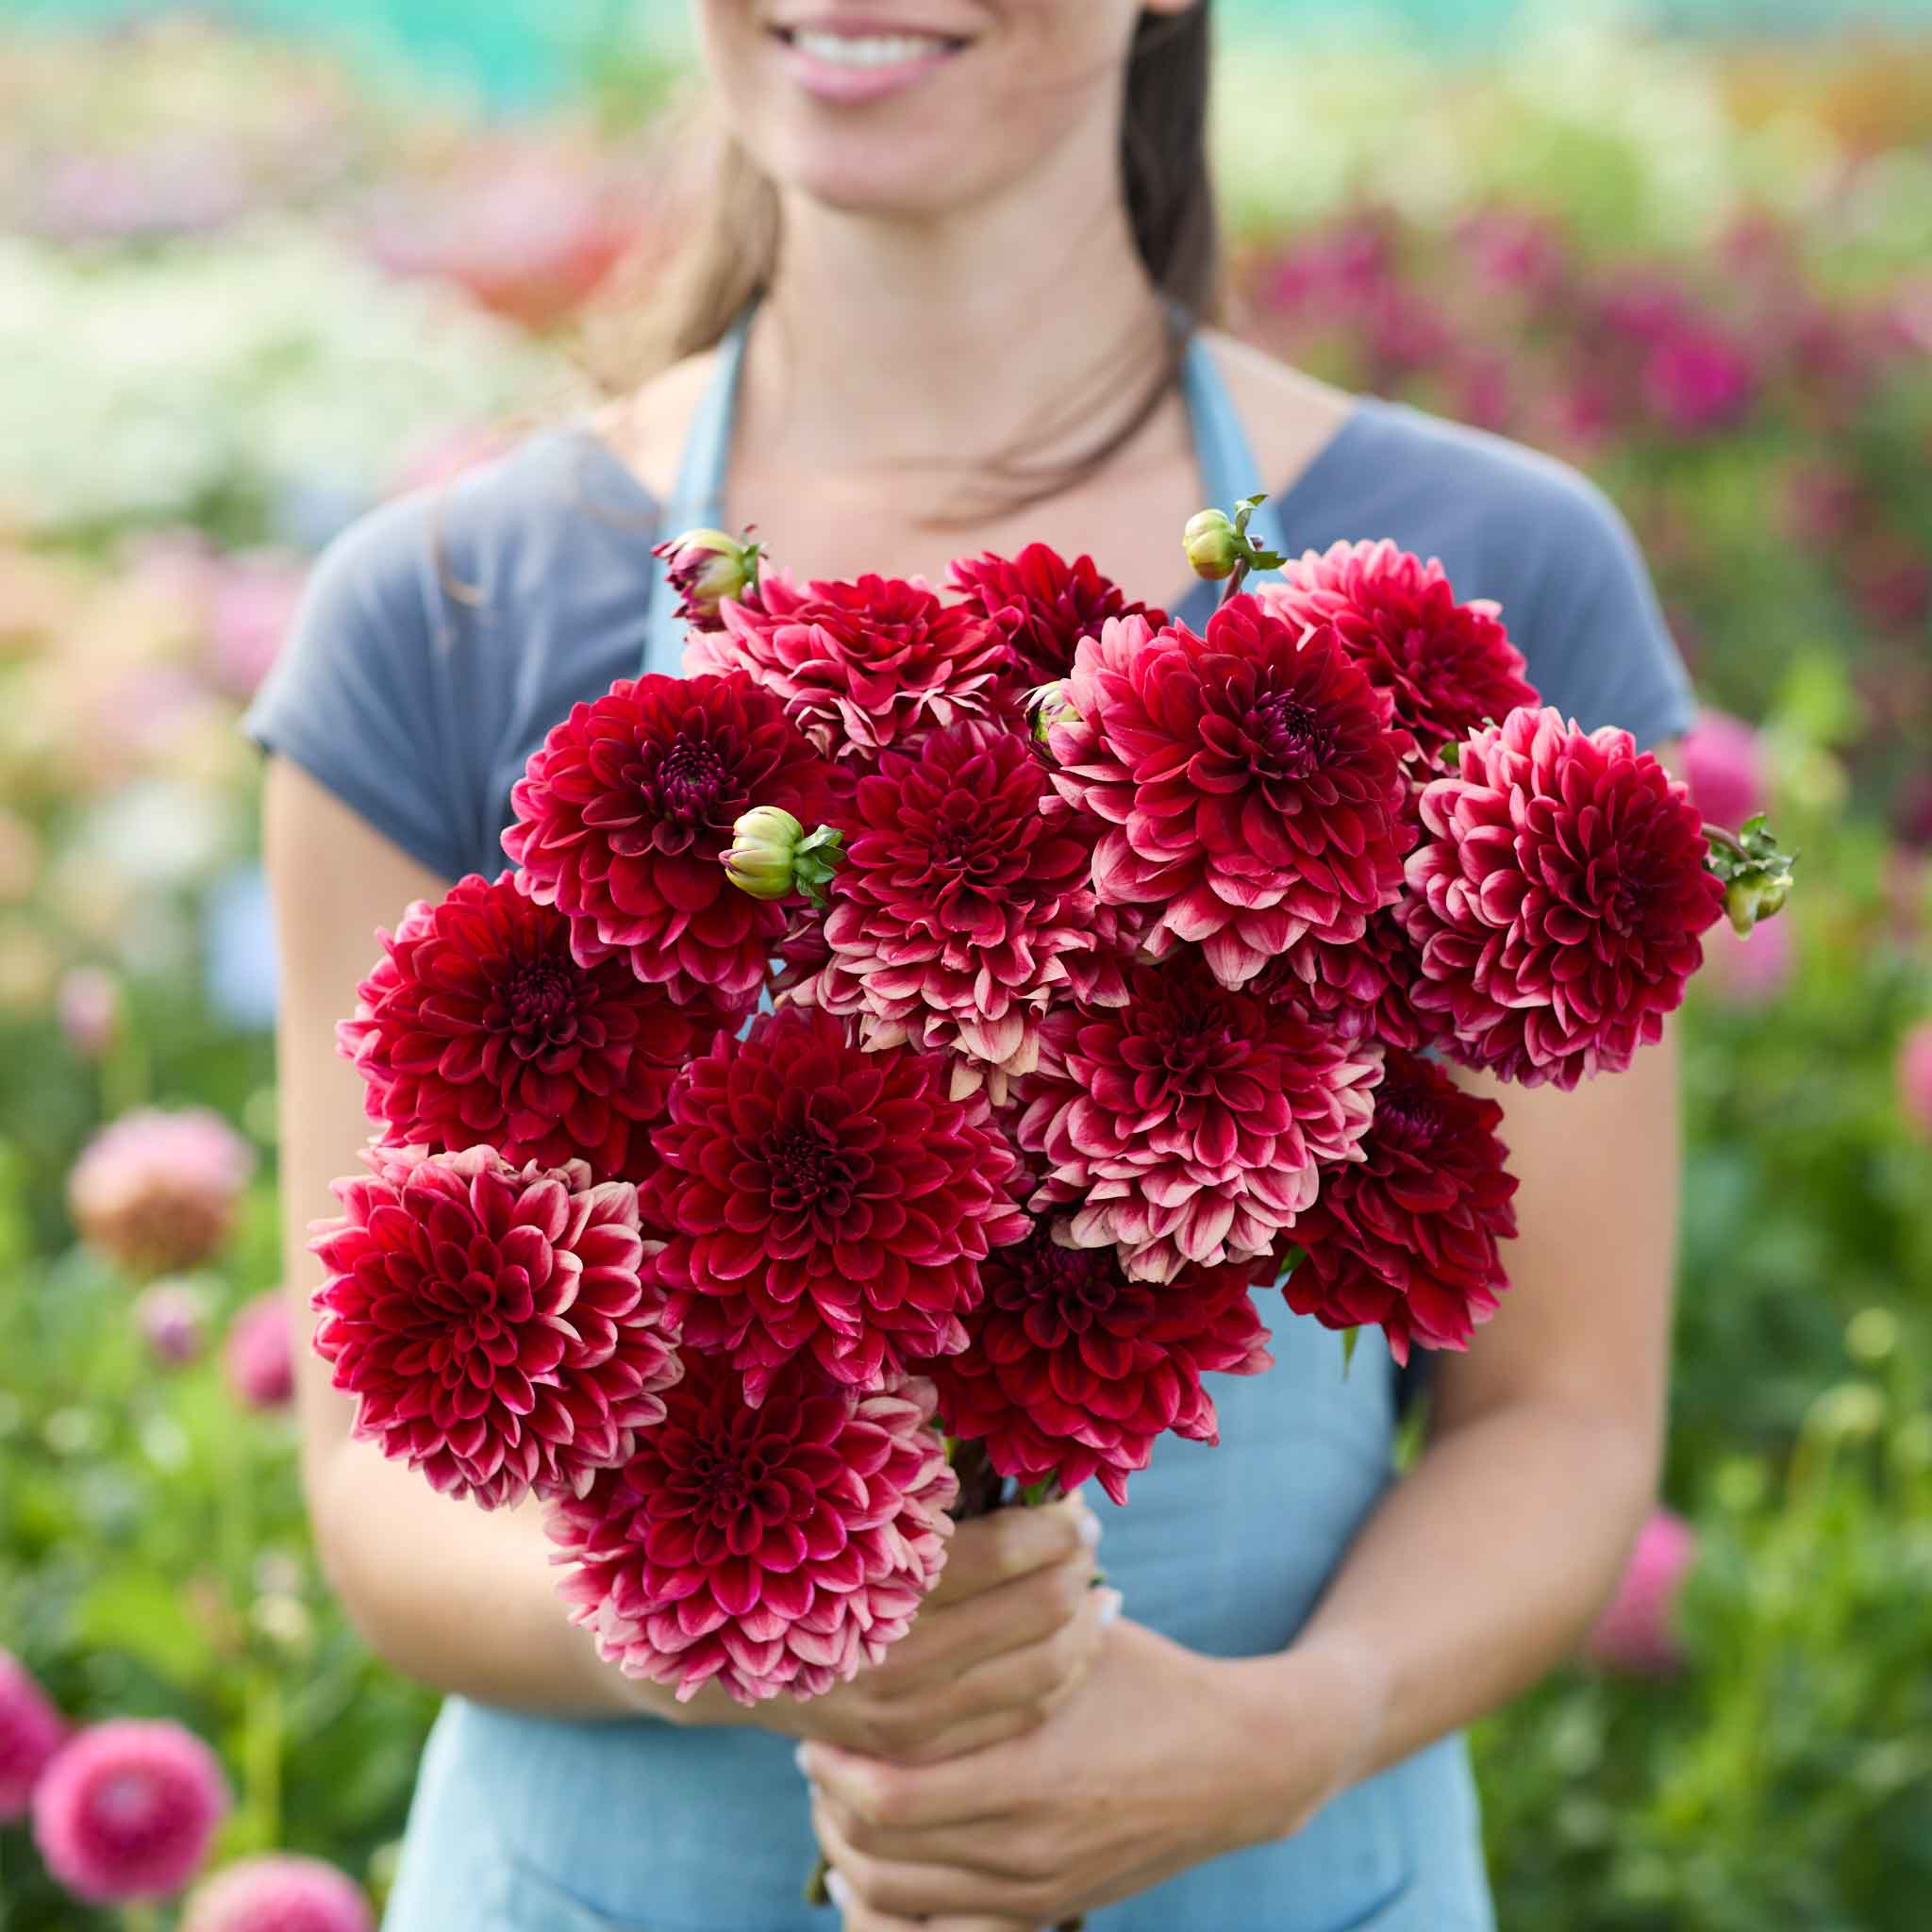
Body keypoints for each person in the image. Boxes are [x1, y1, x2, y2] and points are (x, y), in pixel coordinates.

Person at [249, 5, 1696, 1927]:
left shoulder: (1488, 564)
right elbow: (382, 1466)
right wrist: (731, 1619)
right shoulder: (439, 609)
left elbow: (1564, 1410)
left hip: (1280, 1867)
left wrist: (1290, 1731)